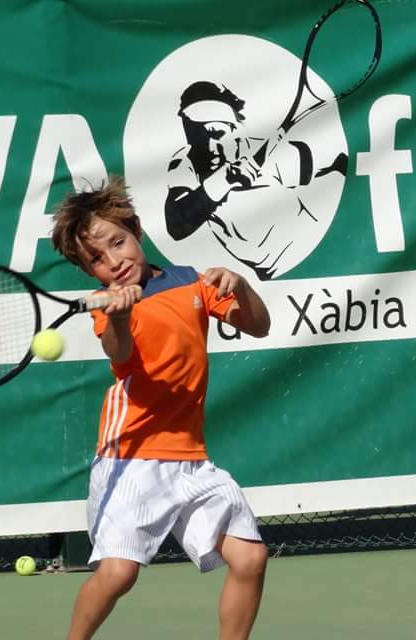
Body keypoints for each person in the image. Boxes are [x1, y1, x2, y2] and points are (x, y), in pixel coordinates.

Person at [50, 175, 271, 640]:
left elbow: (258, 326)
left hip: (192, 461)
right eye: (97, 259)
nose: (114, 260)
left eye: (118, 242)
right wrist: (119, 312)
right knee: (117, 575)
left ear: (138, 232)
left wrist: (242, 286)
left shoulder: (190, 282)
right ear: (90, 272)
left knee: (250, 558)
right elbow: (118, 352)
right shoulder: (108, 306)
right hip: (129, 459)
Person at [164, 80, 347, 280]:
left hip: (322, 250)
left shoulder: (262, 151)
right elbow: (176, 225)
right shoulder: (184, 164)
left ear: (233, 130)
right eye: (196, 135)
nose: (209, 145)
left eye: (216, 133)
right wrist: (224, 181)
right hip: (276, 275)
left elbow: (337, 162)